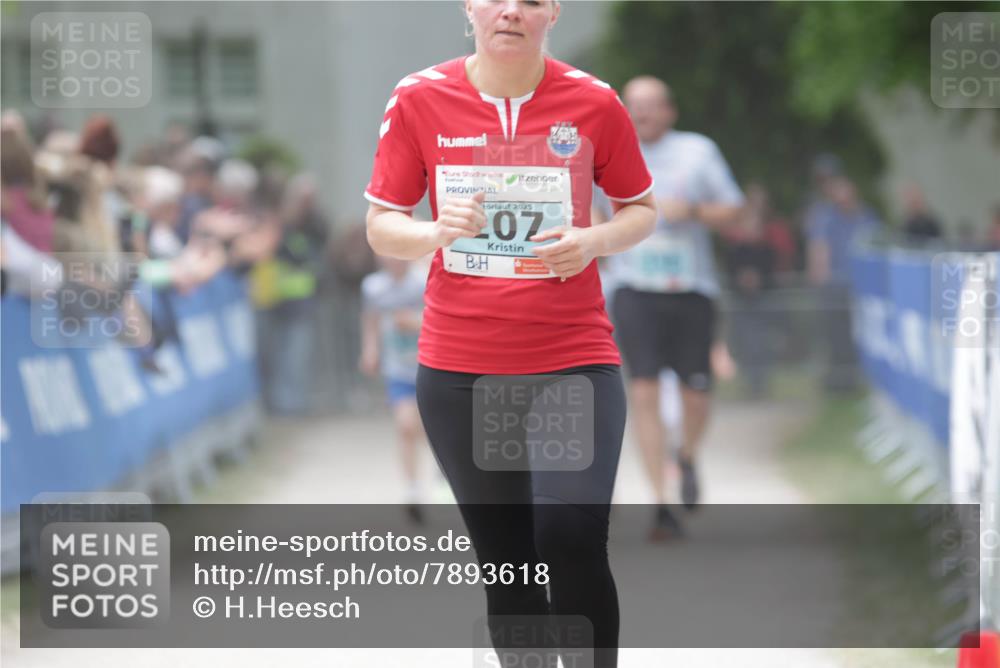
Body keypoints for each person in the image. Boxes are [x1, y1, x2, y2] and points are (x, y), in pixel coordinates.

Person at [364, 1, 656, 665]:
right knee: (510, 567)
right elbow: (382, 224)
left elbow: (641, 208)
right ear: (470, 8)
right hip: (461, 370)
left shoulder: (593, 102)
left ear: (553, 13)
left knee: (568, 535)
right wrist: (435, 232)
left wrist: (592, 240)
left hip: (570, 360)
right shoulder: (419, 97)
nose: (511, 11)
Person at [601, 75, 743, 539]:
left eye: (650, 105)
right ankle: (660, 504)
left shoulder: (697, 151)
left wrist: (695, 212)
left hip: (690, 288)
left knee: (696, 394)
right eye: (633, 105)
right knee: (642, 390)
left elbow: (734, 210)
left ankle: (685, 456)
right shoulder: (607, 149)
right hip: (634, 288)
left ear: (670, 110)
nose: (641, 113)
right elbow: (588, 212)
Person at [360, 257, 430, 523]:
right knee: (404, 425)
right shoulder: (373, 286)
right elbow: (371, 319)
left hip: (428, 366)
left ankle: (439, 472)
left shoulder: (422, 279)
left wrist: (414, 323)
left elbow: (442, 318)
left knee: (426, 429)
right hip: (398, 368)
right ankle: (412, 489)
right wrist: (370, 349)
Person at [806, 176, 880, 392]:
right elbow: (819, 249)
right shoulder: (826, 218)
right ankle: (839, 382)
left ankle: (859, 379)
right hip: (835, 289)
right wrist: (820, 279)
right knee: (836, 337)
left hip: (862, 289)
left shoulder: (866, 216)